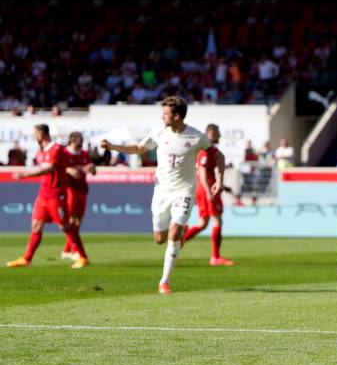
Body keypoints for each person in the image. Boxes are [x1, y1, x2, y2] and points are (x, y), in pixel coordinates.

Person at [100, 96, 211, 294]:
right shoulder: (159, 132)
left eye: (165, 114)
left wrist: (217, 175)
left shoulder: (196, 136)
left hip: (184, 190)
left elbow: (214, 153)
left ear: (177, 116)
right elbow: (139, 148)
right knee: (159, 239)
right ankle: (178, 233)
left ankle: (164, 282)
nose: (162, 117)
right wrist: (113, 146)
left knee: (174, 232)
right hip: (162, 191)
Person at [7, 124, 90, 269]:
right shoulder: (41, 151)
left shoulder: (56, 149)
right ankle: (27, 259)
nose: (33, 136)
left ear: (41, 134)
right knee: (36, 225)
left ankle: (82, 257)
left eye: (35, 133)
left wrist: (25, 174)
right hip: (43, 194)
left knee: (64, 226)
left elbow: (49, 168)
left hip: (56, 194)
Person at [182, 124, 234, 266]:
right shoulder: (205, 150)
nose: (220, 135)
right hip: (208, 189)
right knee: (217, 221)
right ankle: (215, 257)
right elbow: (203, 171)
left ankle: (179, 241)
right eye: (218, 132)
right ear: (211, 133)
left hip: (206, 188)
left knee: (203, 223)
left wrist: (223, 186)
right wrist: (207, 191)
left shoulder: (207, 149)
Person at [61, 131, 96, 260]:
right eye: (79, 140)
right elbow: (58, 167)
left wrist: (91, 168)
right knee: (70, 219)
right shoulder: (64, 153)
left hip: (82, 189)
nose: (81, 142)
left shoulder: (85, 154)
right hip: (69, 189)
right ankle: (75, 250)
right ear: (72, 140)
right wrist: (69, 170)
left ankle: (67, 249)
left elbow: (93, 171)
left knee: (78, 221)